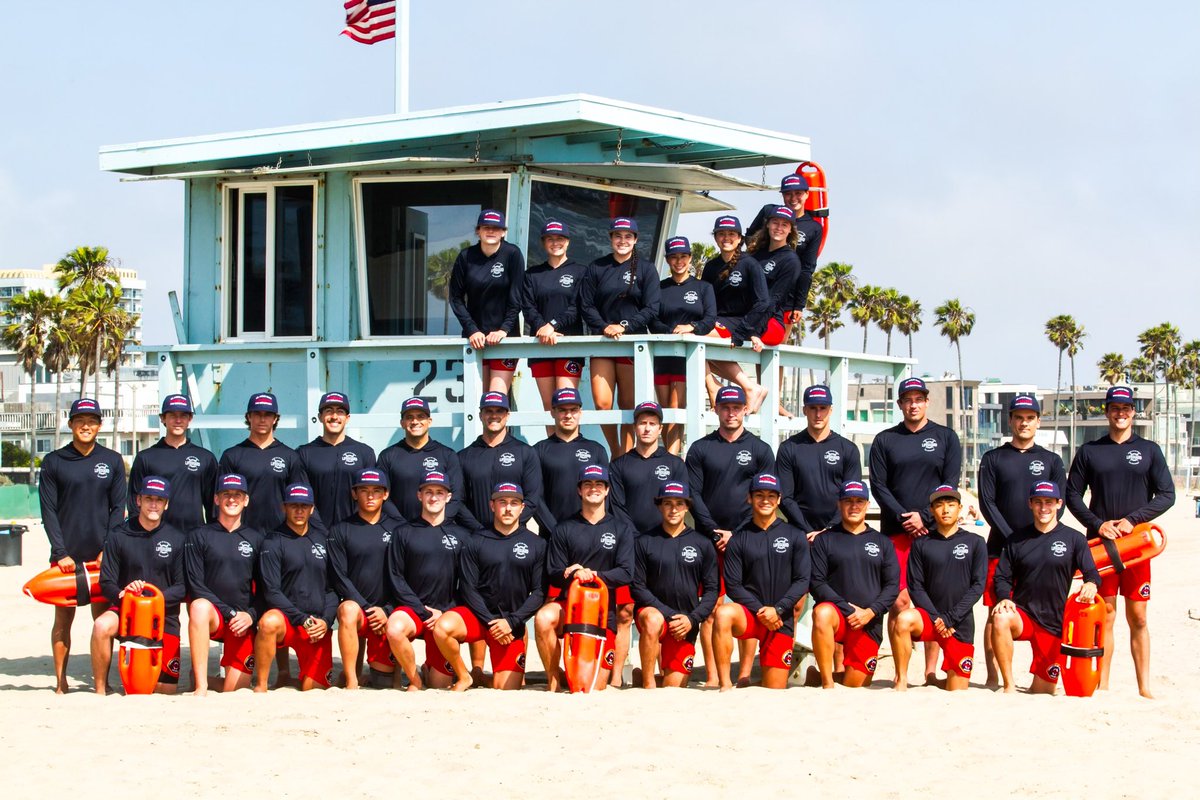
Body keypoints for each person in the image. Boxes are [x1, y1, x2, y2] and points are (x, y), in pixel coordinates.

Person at [1065, 385, 1174, 698]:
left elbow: (1167, 494)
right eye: (1115, 408)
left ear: (1134, 412)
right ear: (1107, 411)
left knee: (1138, 616)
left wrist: (1133, 520)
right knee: (1106, 614)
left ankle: (1144, 687)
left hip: (1136, 546)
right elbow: (1073, 495)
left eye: (1126, 408)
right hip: (1100, 547)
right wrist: (1098, 525)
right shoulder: (1089, 451)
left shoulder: (1150, 450)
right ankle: (1104, 684)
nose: (1121, 413)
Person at [868, 376, 961, 681]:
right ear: (900, 405)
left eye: (918, 399)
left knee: (934, 596)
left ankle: (931, 671)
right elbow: (878, 486)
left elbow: (950, 483)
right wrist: (905, 517)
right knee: (898, 599)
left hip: (936, 531)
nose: (913, 405)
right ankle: (901, 671)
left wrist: (925, 516)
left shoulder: (946, 437)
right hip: (896, 531)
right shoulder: (885, 440)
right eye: (907, 400)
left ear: (926, 402)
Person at [687, 385, 776, 685]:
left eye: (737, 406)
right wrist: (714, 531)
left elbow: (766, 498)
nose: (731, 412)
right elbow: (693, 495)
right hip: (707, 540)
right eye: (725, 407)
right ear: (716, 409)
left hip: (747, 539)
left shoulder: (760, 450)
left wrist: (736, 534)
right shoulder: (700, 449)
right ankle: (713, 675)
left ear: (745, 409)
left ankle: (746, 673)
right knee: (710, 608)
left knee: (747, 604)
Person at [38, 397, 126, 694]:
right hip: (66, 558)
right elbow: (48, 511)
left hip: (101, 558)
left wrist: (107, 550)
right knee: (63, 621)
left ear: (100, 426)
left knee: (102, 621)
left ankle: (102, 681)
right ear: (71, 425)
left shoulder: (113, 460)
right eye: (80, 421)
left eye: (91, 421)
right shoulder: (54, 462)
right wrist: (61, 552)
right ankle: (61, 682)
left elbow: (118, 509)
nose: (85, 426)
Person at [977, 394, 1065, 687]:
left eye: (1030, 418)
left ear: (1038, 422)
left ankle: (1042, 672)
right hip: (999, 548)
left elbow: (1057, 505)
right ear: (1010, 420)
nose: (1024, 422)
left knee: (1043, 611)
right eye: (1019, 417)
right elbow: (987, 503)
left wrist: (1035, 541)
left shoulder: (1051, 460)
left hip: (1041, 552)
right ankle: (995, 678)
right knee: (996, 612)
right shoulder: (993, 458)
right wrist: (1013, 539)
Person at [431, 483, 548, 691]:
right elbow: (468, 588)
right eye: (502, 502)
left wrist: (511, 622)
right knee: (442, 628)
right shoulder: (475, 541)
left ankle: (481, 678)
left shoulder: (537, 544)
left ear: (522, 508)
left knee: (506, 689)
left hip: (509, 624)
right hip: (478, 618)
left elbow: (539, 592)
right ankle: (464, 675)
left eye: (514, 503)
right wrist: (491, 622)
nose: (508, 508)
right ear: (492, 505)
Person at [991, 481, 1101, 694]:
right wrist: (1004, 597)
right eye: (1038, 502)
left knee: (1043, 690)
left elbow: (1092, 573)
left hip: (1054, 621)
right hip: (1023, 615)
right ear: (1030, 504)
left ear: (1059, 504)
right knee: (1001, 617)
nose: (1043, 508)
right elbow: (1002, 577)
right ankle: (1008, 685)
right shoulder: (1016, 540)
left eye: (1049, 502)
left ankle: (1038, 682)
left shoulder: (1074, 538)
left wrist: (1091, 584)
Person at [534, 464, 634, 692]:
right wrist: (572, 572)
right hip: (569, 605)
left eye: (599, 484)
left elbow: (626, 572)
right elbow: (554, 572)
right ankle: (553, 679)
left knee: (590, 687)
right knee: (542, 618)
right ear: (579, 490)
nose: (593, 488)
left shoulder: (621, 529)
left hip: (602, 612)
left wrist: (594, 575)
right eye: (587, 484)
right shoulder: (564, 528)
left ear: (607, 490)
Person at [713, 473, 811, 691]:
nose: (765, 500)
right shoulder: (739, 538)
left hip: (780, 618)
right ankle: (725, 684)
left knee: (774, 687)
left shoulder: (795, 535)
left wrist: (778, 609)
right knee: (723, 613)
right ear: (749, 498)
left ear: (778, 499)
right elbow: (733, 585)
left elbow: (802, 580)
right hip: (751, 615)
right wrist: (761, 610)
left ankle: (761, 679)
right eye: (759, 495)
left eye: (770, 495)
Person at [93, 476, 186, 695]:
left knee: (165, 689)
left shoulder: (177, 538)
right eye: (148, 499)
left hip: (163, 615)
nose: (153, 504)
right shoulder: (118, 535)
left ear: (166, 504)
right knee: (101, 626)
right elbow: (106, 582)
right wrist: (124, 594)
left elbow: (182, 587)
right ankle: (99, 690)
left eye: (159, 500)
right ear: (138, 501)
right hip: (127, 611)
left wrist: (153, 600)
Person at [888, 485, 986, 691]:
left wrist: (951, 618)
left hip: (958, 624)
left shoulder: (975, 542)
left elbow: (978, 586)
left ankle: (942, 677)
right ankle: (902, 680)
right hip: (929, 619)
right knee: (903, 619)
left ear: (960, 508)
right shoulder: (921, 543)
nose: (945, 510)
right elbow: (915, 586)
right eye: (939, 505)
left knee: (956, 688)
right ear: (931, 510)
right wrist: (935, 617)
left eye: (951, 505)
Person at [580, 217, 662, 454]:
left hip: (631, 343)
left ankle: (626, 454)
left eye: (628, 236)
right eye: (618, 235)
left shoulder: (646, 269)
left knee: (628, 405)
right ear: (610, 238)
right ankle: (615, 451)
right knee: (603, 403)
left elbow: (651, 307)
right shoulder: (597, 267)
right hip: (603, 342)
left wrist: (624, 326)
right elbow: (586, 305)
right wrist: (604, 326)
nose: (622, 241)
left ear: (635, 240)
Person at [809, 480, 900, 688]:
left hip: (869, 622)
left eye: (859, 501)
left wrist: (870, 612)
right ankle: (826, 682)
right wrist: (848, 609)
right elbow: (817, 583)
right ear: (839, 505)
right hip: (839, 616)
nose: (854, 506)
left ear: (868, 505)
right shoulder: (825, 540)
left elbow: (892, 586)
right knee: (821, 613)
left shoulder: (883, 542)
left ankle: (823, 677)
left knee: (856, 683)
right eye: (848, 501)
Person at [385, 471, 469, 691]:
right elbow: (396, 577)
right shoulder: (403, 532)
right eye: (428, 492)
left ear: (448, 497)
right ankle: (415, 680)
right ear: (419, 495)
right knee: (394, 629)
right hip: (414, 611)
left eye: (439, 492)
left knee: (440, 685)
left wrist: (446, 612)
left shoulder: (461, 535)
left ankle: (429, 670)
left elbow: (468, 583)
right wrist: (422, 610)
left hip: (444, 616)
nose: (434, 497)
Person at [631, 482, 719, 689]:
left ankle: (649, 677)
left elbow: (711, 590)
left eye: (679, 504)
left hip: (685, 623)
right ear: (659, 507)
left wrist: (692, 619)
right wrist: (668, 614)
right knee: (653, 619)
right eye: (668, 503)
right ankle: (647, 683)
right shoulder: (644, 541)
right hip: (655, 614)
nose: (673, 509)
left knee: (674, 686)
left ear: (687, 507)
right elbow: (637, 587)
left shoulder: (703, 544)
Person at [185, 473, 264, 695]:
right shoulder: (199, 535)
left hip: (242, 621)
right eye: (226, 494)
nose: (232, 499)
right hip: (216, 616)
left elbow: (266, 589)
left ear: (246, 500)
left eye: (237, 494)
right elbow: (195, 584)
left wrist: (250, 615)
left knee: (234, 689)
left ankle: (209, 681)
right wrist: (228, 613)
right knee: (198, 606)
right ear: (216, 499)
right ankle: (201, 686)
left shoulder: (257, 539)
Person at [253, 484, 337, 692]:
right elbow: (271, 591)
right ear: (284, 508)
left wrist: (326, 621)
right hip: (288, 622)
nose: (299, 511)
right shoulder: (272, 541)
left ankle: (301, 676)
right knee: (268, 622)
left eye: (304, 505)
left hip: (316, 625)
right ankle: (261, 685)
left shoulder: (323, 540)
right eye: (294, 506)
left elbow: (333, 588)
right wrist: (301, 619)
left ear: (312, 509)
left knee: (312, 688)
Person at [328, 469, 400, 690]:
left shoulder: (398, 529)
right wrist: (368, 608)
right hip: (361, 611)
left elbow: (403, 577)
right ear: (354, 494)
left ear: (385, 495)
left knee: (383, 684)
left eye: (376, 491)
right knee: (347, 610)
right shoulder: (341, 529)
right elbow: (339, 577)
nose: (370, 496)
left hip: (387, 613)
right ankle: (351, 680)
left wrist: (387, 610)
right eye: (364, 491)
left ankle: (391, 673)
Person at [649, 236, 716, 453]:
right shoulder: (659, 288)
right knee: (665, 410)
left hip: (687, 357)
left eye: (684, 256)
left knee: (677, 407)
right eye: (674, 257)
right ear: (668, 260)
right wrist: (671, 333)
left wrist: (691, 328)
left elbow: (709, 319)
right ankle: (670, 456)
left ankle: (673, 457)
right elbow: (652, 319)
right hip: (662, 356)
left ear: (690, 258)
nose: (679, 261)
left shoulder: (703, 287)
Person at [448, 208, 526, 394]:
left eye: (496, 228)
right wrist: (472, 330)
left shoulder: (512, 254)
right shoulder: (466, 256)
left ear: (503, 232)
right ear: (478, 231)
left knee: (496, 400)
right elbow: (456, 298)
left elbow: (517, 297)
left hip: (505, 339)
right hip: (475, 339)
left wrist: (504, 330)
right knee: (478, 400)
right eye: (486, 227)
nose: (491, 231)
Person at [700, 215, 770, 412]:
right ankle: (748, 387)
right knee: (694, 342)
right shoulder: (711, 266)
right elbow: (704, 301)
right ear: (715, 238)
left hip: (741, 323)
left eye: (731, 234)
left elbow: (763, 302)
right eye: (721, 234)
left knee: (695, 336)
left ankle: (715, 389)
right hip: (717, 321)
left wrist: (747, 331)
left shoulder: (750, 264)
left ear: (739, 238)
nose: (726, 238)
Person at [457, 391, 550, 532]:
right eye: (488, 411)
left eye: (499, 411)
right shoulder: (463, 457)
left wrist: (509, 528)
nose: (494, 416)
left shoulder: (525, 452)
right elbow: (458, 502)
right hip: (476, 538)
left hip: (514, 537)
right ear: (480, 415)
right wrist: (479, 531)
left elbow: (533, 498)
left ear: (507, 415)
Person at [776, 384, 863, 535]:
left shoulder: (848, 449)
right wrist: (807, 530)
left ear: (831, 410)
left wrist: (829, 529)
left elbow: (851, 496)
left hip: (839, 533)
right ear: (805, 410)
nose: (818, 414)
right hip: (801, 534)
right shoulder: (789, 448)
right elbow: (785, 497)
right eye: (813, 408)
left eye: (823, 408)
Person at [218, 392, 309, 535]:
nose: (262, 419)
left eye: (267, 414)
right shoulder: (232, 455)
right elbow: (220, 501)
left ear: (275, 418)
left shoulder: (290, 456)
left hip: (281, 535)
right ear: (249, 417)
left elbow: (302, 500)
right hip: (241, 535)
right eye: (257, 414)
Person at [522, 220, 587, 415]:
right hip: (541, 344)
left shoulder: (580, 272)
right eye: (550, 239)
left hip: (569, 346)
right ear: (543, 243)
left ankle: (569, 446)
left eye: (559, 238)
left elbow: (578, 306)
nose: (555, 243)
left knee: (566, 405)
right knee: (549, 407)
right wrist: (542, 327)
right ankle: (552, 446)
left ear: (567, 242)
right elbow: (527, 306)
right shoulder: (532, 274)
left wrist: (552, 325)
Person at [128, 393, 217, 532]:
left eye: (183, 415)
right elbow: (134, 502)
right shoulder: (145, 458)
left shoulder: (206, 458)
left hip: (194, 537)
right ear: (163, 418)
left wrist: (212, 536)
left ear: (190, 419)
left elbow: (213, 505)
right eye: (172, 415)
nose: (178, 420)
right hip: (156, 537)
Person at [377, 396, 469, 525]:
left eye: (420, 416)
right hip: (398, 531)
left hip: (437, 530)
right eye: (409, 417)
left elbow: (456, 496)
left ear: (429, 421)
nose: (415, 421)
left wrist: (439, 523)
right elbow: (382, 497)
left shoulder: (447, 455)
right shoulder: (387, 456)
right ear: (402, 423)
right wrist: (401, 526)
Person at [747, 205, 801, 416]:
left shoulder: (790, 260)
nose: (779, 227)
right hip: (747, 318)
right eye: (775, 222)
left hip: (769, 322)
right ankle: (752, 390)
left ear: (790, 230)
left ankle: (768, 400)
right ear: (768, 224)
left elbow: (775, 300)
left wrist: (751, 327)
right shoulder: (754, 255)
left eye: (784, 224)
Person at [532, 387, 609, 537]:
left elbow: (605, 496)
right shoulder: (538, 450)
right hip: (551, 536)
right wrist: (557, 532)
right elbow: (535, 498)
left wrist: (594, 529)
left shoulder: (596, 450)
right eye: (562, 410)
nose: (568, 415)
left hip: (589, 535)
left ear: (580, 413)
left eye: (573, 410)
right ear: (552, 412)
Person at [297, 391, 377, 528]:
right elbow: (301, 498)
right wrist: (318, 528)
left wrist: (353, 528)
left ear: (347, 418)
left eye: (340, 412)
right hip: (313, 533)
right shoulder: (304, 453)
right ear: (320, 417)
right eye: (329, 411)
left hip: (354, 531)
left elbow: (370, 496)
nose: (334, 416)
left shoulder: (364, 453)